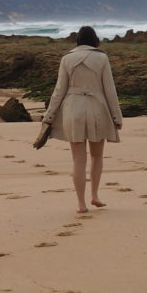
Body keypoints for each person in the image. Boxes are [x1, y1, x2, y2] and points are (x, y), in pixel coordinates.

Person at [40, 26, 123, 213]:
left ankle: (81, 204)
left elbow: (59, 91)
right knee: (97, 156)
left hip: (73, 109)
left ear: (78, 40)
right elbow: (110, 90)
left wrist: (49, 116)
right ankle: (95, 196)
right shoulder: (102, 58)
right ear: (95, 40)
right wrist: (117, 116)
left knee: (78, 161)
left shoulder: (66, 59)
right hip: (97, 109)